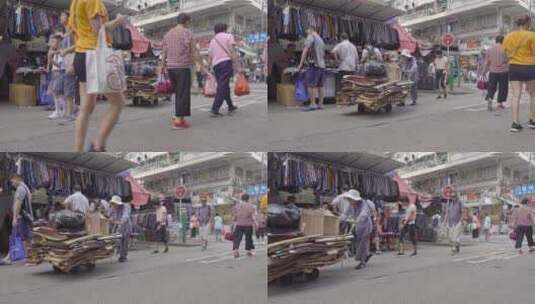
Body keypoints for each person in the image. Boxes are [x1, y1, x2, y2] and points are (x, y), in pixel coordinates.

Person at [69, 0, 127, 151]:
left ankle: (78, 149)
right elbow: (98, 30)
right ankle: (98, 144)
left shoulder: (75, 2)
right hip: (95, 56)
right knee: (118, 103)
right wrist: (118, 21)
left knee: (85, 108)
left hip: (81, 55)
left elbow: (75, 31)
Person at [162, 13, 203, 130]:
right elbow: (194, 51)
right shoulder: (187, 32)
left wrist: (162, 65)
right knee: (183, 94)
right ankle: (179, 122)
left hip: (171, 68)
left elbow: (164, 51)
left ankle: (177, 116)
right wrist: (202, 65)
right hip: (182, 67)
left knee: (178, 93)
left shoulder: (168, 34)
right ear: (186, 22)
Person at [502, 15, 535, 132]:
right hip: (530, 67)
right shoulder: (532, 35)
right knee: (533, 95)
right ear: (527, 24)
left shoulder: (508, 36)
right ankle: (532, 120)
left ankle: (515, 123)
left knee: (516, 95)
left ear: (517, 24)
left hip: (514, 67)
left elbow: (505, 55)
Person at [0, 175, 33, 266]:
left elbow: (18, 203)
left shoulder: (21, 188)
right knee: (17, 237)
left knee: (25, 238)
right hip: (25, 216)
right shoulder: (26, 188)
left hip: (22, 216)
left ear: (17, 179)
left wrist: (15, 217)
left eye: (13, 182)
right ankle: (9, 257)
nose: (12, 184)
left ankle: (30, 258)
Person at [208, 23, 239, 117]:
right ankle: (214, 108)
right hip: (225, 63)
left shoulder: (213, 40)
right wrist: (236, 64)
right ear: (225, 29)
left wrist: (208, 68)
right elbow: (232, 50)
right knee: (222, 86)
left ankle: (230, 106)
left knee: (224, 85)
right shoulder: (229, 36)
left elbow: (210, 55)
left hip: (216, 65)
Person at [298, 26, 326, 111]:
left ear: (310, 29)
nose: (306, 32)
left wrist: (300, 63)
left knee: (311, 85)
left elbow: (305, 50)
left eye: (306, 30)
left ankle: (313, 104)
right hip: (322, 65)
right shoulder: (320, 39)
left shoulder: (311, 36)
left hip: (314, 64)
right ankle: (320, 104)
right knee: (321, 85)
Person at [57, 11, 78, 125]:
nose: (60, 17)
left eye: (62, 15)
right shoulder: (64, 33)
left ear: (69, 18)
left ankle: (71, 114)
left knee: (69, 88)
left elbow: (78, 45)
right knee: (64, 88)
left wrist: (65, 51)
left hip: (71, 62)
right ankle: (70, 112)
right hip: (64, 63)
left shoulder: (72, 31)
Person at [343, 190, 372, 270]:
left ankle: (362, 261)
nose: (349, 201)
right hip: (358, 227)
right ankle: (366, 255)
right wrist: (340, 219)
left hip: (366, 225)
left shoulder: (363, 204)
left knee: (363, 243)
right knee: (360, 242)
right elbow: (345, 214)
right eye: (349, 199)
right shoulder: (350, 205)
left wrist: (357, 220)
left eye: (351, 199)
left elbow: (364, 213)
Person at [484, 35, 509, 111]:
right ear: (503, 41)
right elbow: (508, 60)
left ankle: (490, 98)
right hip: (504, 71)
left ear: (496, 40)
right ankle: (500, 104)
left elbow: (487, 62)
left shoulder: (489, 49)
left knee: (491, 87)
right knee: (503, 87)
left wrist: (483, 72)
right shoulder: (505, 49)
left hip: (493, 71)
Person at [232, 194, 256, 258]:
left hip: (239, 224)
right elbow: (252, 216)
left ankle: (235, 251)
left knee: (237, 238)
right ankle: (248, 252)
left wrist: (233, 223)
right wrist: (256, 223)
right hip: (248, 225)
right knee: (248, 238)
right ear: (248, 199)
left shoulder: (237, 206)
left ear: (242, 198)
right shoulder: (250, 206)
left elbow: (235, 216)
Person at [109, 195, 131, 262]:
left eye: (115, 204)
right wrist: (110, 219)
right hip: (119, 226)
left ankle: (123, 256)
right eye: (113, 204)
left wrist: (120, 222)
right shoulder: (113, 208)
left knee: (125, 241)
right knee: (120, 241)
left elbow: (126, 216)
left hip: (126, 225)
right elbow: (111, 216)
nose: (114, 205)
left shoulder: (126, 206)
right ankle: (121, 255)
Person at [47, 33, 64, 120]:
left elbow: (60, 65)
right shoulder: (55, 52)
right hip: (54, 73)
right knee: (55, 93)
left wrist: (51, 59)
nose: (51, 43)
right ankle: (59, 111)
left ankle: (61, 111)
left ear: (59, 42)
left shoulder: (61, 52)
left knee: (59, 94)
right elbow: (51, 65)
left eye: (53, 41)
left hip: (59, 73)